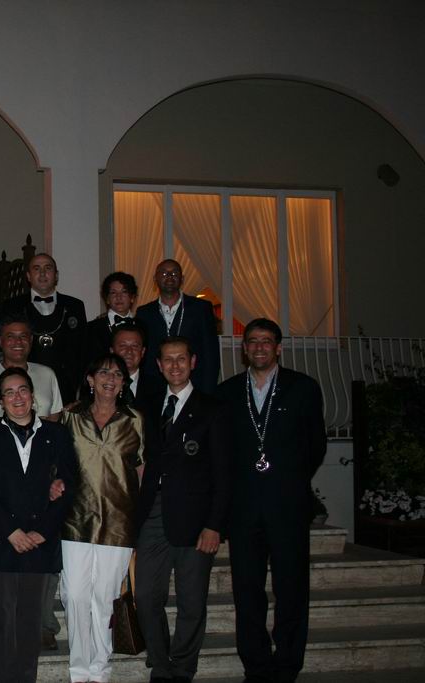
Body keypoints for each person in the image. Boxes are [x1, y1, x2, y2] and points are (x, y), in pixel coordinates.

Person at [217, 318, 326, 683]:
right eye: (252, 341)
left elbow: (315, 445)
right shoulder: (227, 392)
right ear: (244, 348)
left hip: (288, 506)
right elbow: (223, 451)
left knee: (291, 588)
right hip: (244, 509)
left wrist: (288, 481)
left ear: (278, 347)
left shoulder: (303, 388)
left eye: (266, 341)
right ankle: (256, 663)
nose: (259, 347)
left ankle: (288, 663)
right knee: (247, 591)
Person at [0, 367, 78, 683]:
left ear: (33, 395)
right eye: (9, 392)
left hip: (39, 539)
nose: (17, 397)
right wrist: (11, 532)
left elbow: (69, 483)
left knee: (31, 619)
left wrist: (42, 531)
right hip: (2, 538)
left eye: (22, 390)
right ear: (0, 400)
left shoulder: (57, 434)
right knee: (2, 617)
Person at [134, 337, 230, 683]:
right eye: (168, 360)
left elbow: (224, 473)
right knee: (146, 596)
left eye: (181, 359)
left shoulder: (212, 409)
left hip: (195, 518)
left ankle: (183, 667)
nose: (175, 366)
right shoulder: (147, 406)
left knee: (191, 601)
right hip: (153, 514)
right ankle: (160, 664)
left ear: (193, 362)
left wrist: (214, 525)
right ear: (158, 366)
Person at [61, 352, 145, 683]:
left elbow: (141, 470)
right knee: (75, 595)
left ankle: (99, 669)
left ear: (124, 383)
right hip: (74, 518)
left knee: (105, 596)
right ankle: (79, 670)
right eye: (103, 373)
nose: (110, 379)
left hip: (119, 520)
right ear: (90, 380)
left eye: (117, 374)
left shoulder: (135, 419)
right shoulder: (71, 417)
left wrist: (140, 518)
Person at [0, 253, 88, 406]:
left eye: (48, 268)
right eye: (36, 268)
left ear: (56, 275)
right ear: (28, 276)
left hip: (67, 390)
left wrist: (81, 392)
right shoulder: (12, 307)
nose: (42, 273)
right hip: (24, 388)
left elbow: (83, 351)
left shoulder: (75, 306)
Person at [135, 259, 220, 393]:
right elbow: (143, 355)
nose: (169, 276)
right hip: (155, 387)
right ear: (155, 279)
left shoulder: (201, 308)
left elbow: (211, 353)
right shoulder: (144, 313)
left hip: (195, 386)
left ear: (182, 279)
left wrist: (207, 391)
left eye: (174, 273)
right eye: (164, 273)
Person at [0, 314, 63, 423]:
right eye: (10, 337)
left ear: (31, 340)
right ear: (0, 341)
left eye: (23, 336)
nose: (18, 341)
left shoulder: (47, 374)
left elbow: (55, 415)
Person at [85, 272, 140, 364]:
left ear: (132, 297)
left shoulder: (143, 326)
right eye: (113, 293)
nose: (119, 297)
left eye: (124, 292)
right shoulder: (91, 328)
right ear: (107, 299)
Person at [113, 322, 162, 410]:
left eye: (135, 346)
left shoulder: (159, 387)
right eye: (123, 346)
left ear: (142, 352)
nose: (129, 351)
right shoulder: (101, 385)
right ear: (112, 351)